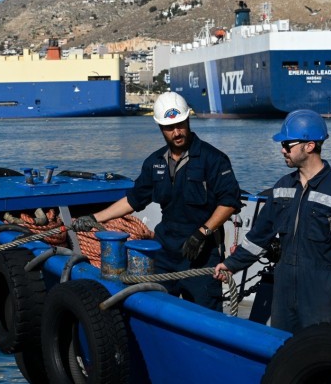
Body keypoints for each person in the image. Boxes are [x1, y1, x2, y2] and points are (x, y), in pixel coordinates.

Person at [71, 91, 242, 310]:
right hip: (164, 254)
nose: (177, 132)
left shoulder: (214, 159)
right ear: (161, 128)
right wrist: (94, 217)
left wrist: (203, 233)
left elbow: (229, 202)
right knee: (156, 310)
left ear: (188, 120)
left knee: (204, 317)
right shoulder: (154, 163)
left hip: (200, 255)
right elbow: (133, 200)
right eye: (170, 128)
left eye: (180, 124)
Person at [213, 109, 331, 333]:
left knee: (320, 352)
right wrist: (231, 265)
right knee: (284, 350)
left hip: (321, 293)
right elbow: (258, 238)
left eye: (287, 144)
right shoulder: (282, 188)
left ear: (309, 146)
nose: (282, 150)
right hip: (284, 291)